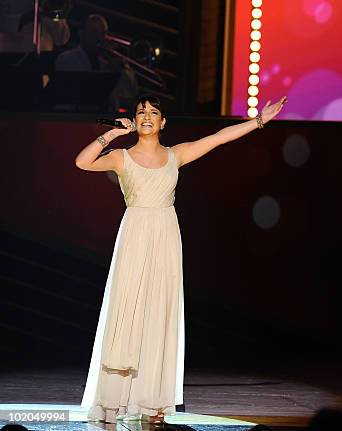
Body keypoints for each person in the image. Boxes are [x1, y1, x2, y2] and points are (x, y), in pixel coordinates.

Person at [75, 93, 288, 424]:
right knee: (128, 311)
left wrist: (260, 120)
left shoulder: (176, 155)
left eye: (153, 112)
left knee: (159, 312)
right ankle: (114, 398)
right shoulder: (121, 157)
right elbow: (82, 162)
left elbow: (218, 138)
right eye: (141, 111)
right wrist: (114, 133)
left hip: (165, 236)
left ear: (163, 122)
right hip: (134, 234)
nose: (146, 116)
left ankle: (152, 398)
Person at [56, 14, 137, 111]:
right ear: (81, 33)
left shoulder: (105, 60)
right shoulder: (66, 58)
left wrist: (124, 69)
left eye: (103, 33)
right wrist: (107, 70)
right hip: (78, 119)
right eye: (94, 32)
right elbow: (84, 91)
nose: (99, 37)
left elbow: (130, 93)